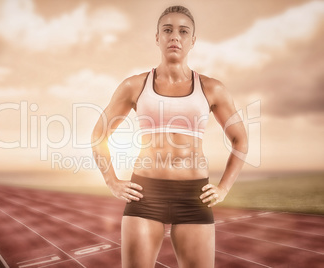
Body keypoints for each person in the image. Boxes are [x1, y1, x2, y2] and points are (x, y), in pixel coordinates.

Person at [91, 5, 248, 268]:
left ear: (192, 41)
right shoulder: (134, 85)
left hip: (193, 197)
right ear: (157, 38)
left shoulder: (212, 88)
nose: (175, 36)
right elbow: (99, 134)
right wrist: (112, 181)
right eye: (168, 30)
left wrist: (224, 188)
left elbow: (240, 140)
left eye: (183, 31)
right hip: (145, 195)